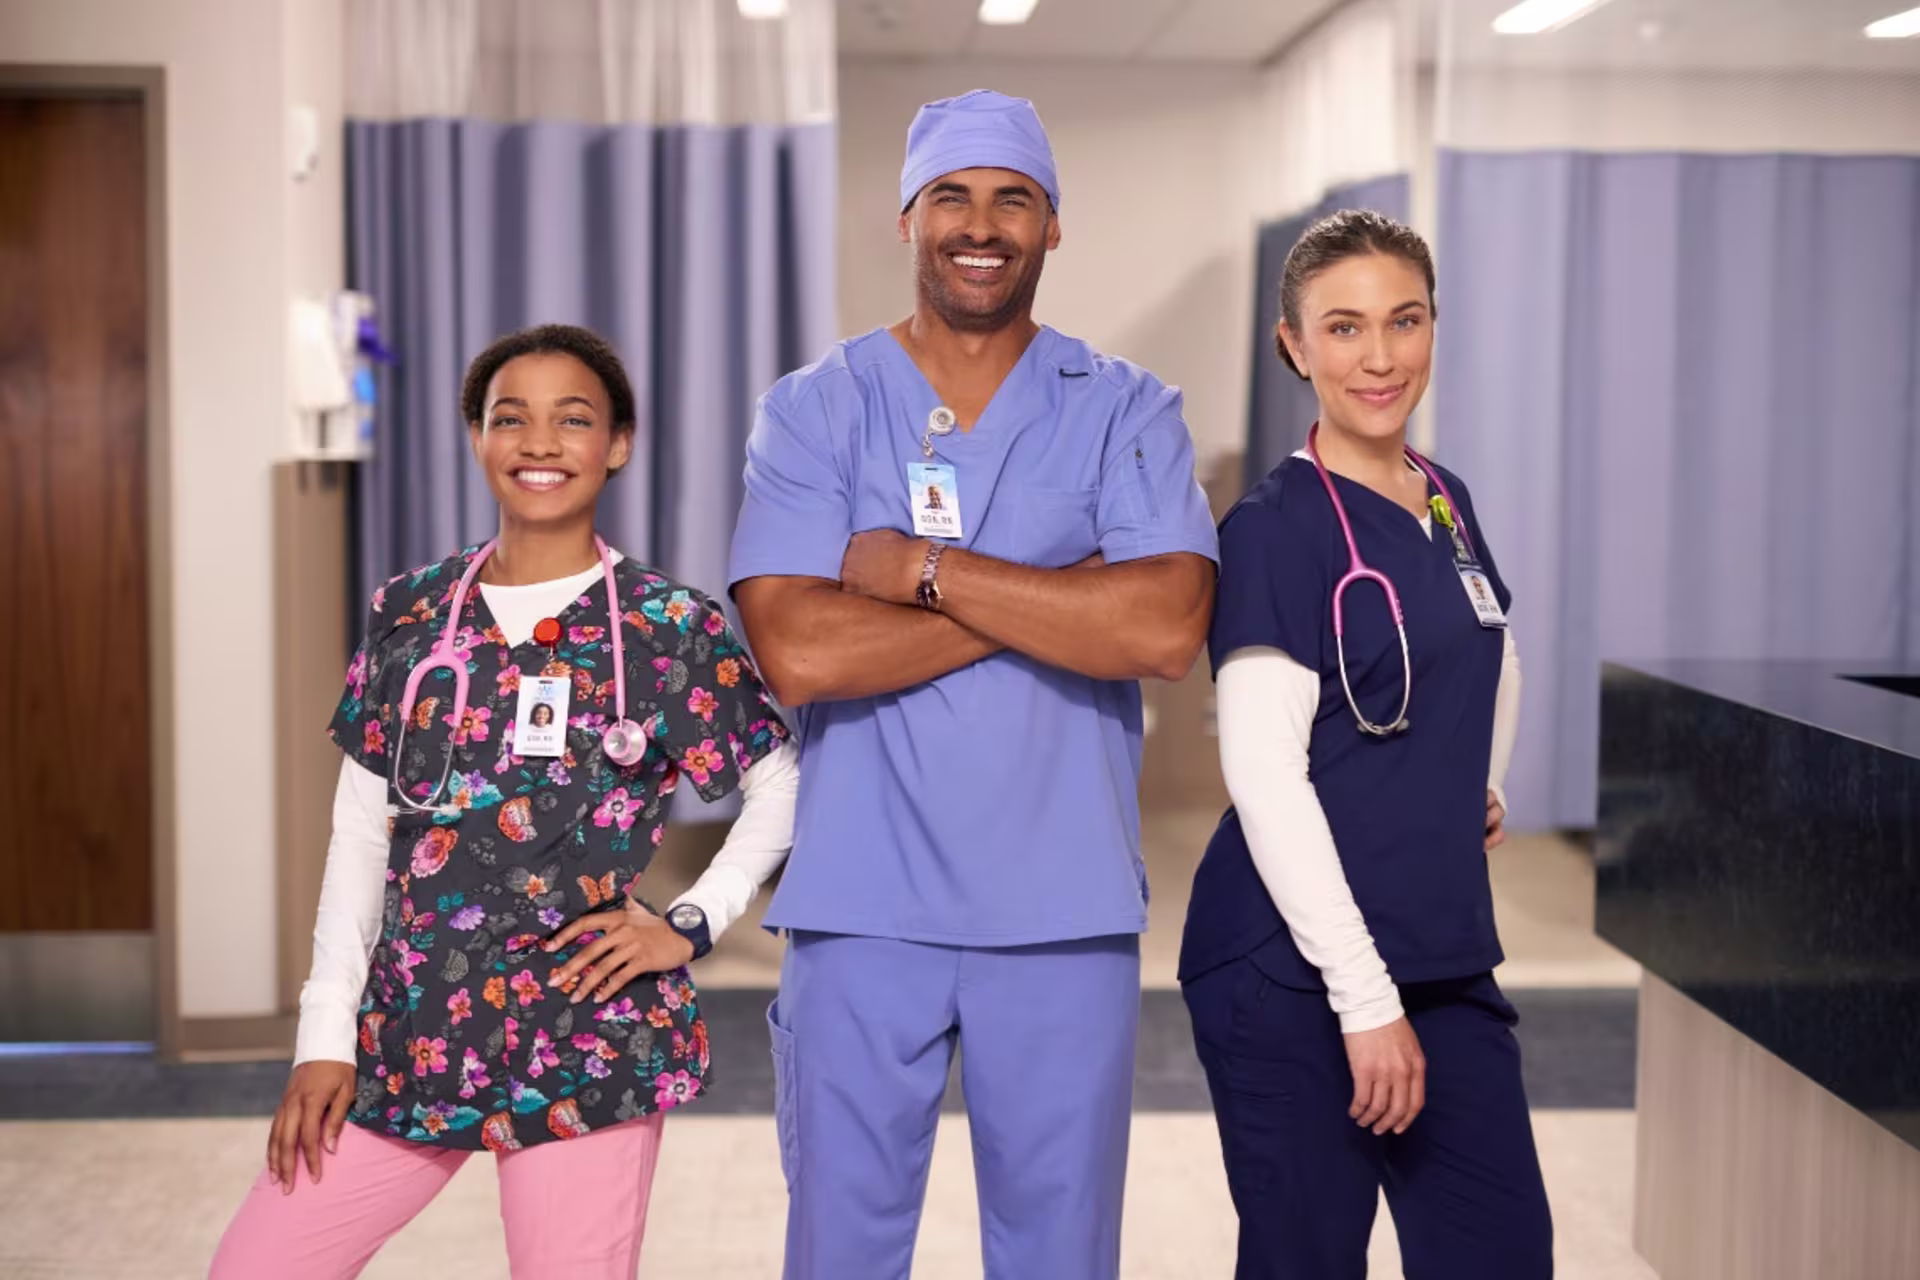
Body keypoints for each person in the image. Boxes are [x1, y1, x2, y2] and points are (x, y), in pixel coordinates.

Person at [727, 90, 1218, 1280]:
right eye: (951, 194)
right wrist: (1057, 601)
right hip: (859, 911)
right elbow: (798, 650)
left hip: (1061, 913)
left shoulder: (1128, 409)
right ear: (908, 217)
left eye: (1015, 198)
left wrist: (921, 572)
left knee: (1059, 1254)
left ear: (1054, 226)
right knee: (840, 1249)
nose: (980, 223)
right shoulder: (815, 409)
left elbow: (1161, 627)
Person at [210, 324, 799, 1279]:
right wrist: (323, 1037)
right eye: (509, 417)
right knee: (256, 1267)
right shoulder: (410, 613)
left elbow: (779, 782)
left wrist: (689, 923)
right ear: (476, 436)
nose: (539, 443)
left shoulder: (666, 628)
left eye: (573, 419)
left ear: (618, 443)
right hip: (409, 1028)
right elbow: (361, 835)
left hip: (587, 1038)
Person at [1178, 210, 1551, 1278]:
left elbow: (1493, 645)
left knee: (1502, 1250)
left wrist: (1472, 779)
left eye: (1405, 320)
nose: (1379, 356)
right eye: (1343, 328)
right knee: (1308, 1257)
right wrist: (1365, 997)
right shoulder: (1272, 528)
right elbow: (1262, 775)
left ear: (1436, 326)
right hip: (1293, 971)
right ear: (1293, 345)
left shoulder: (1442, 494)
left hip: (1443, 950)